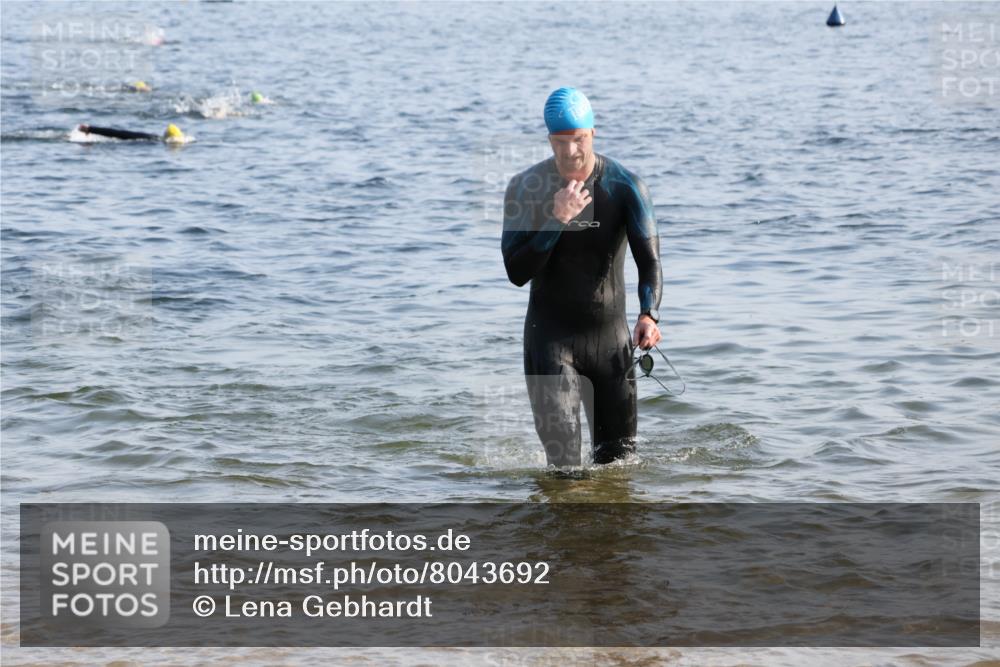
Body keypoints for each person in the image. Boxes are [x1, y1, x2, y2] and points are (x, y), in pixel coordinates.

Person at [501, 87, 662, 468]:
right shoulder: (526, 188)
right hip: (549, 341)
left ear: (593, 133)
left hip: (611, 345)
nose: (571, 150)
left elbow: (650, 262)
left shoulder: (626, 187)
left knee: (618, 468)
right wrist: (556, 220)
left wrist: (648, 314)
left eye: (579, 140)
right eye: (561, 142)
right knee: (565, 468)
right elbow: (515, 272)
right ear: (548, 140)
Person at [76, 123, 187, 143]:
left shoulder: (157, 138)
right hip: (132, 140)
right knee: (119, 134)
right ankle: (87, 129)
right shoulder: (150, 140)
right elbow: (118, 133)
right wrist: (91, 129)